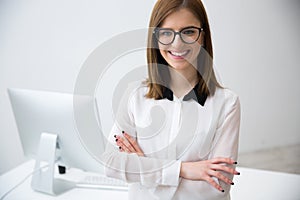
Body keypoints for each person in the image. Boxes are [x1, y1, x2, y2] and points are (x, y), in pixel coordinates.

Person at [101, 0, 241, 199]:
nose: (177, 44)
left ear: (203, 36)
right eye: (166, 33)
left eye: (189, 32)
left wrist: (144, 168)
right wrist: (184, 170)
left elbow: (217, 186)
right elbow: (111, 164)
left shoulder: (227, 104)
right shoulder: (134, 95)